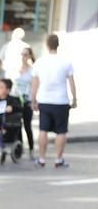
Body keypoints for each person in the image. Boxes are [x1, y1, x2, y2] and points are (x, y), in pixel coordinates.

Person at [31, 33, 77, 168]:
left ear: (47, 45)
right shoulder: (66, 62)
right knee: (61, 131)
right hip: (61, 101)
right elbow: (72, 82)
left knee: (43, 130)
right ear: (58, 44)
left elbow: (35, 83)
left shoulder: (40, 62)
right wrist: (74, 99)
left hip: (44, 100)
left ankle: (42, 158)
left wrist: (33, 99)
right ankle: (58, 159)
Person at [15, 47, 36, 158]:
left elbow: (34, 87)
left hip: (27, 101)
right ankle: (19, 148)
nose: (23, 57)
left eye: (26, 55)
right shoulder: (16, 69)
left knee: (27, 126)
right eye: (22, 54)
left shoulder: (32, 71)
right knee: (17, 125)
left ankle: (31, 149)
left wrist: (33, 101)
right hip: (17, 100)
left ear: (30, 56)